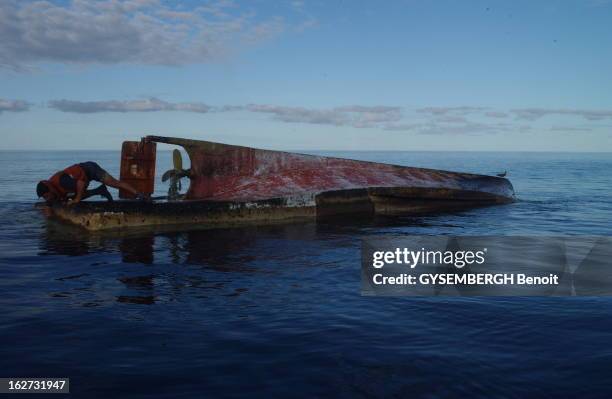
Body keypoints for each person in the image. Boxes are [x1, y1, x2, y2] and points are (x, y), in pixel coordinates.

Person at [36, 161, 145, 205]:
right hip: (83, 177)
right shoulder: (54, 188)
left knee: (114, 183)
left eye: (46, 196)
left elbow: (81, 184)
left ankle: (140, 195)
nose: (47, 199)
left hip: (90, 169)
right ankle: (100, 190)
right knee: (70, 199)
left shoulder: (62, 182)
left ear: (49, 189)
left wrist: (77, 199)